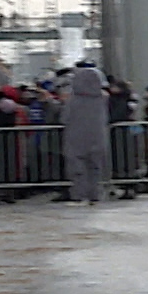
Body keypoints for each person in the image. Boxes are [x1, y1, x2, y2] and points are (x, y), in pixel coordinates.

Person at [60, 63, 109, 204]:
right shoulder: (102, 98)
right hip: (98, 137)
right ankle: (95, 194)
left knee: (77, 168)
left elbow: (64, 118)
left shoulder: (72, 100)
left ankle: (79, 195)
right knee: (95, 167)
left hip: (75, 137)